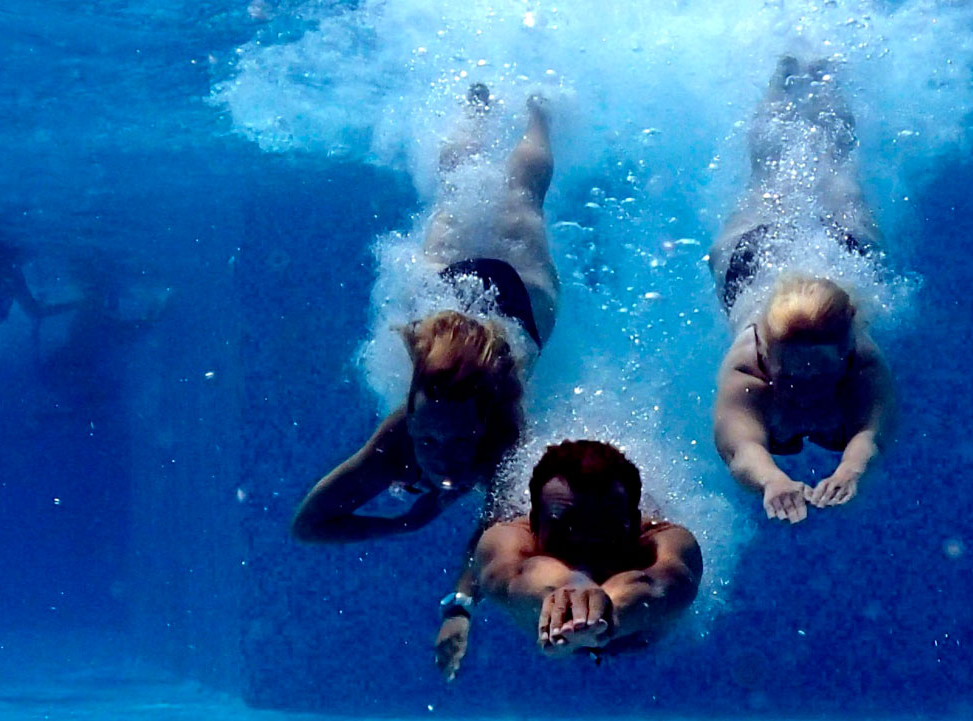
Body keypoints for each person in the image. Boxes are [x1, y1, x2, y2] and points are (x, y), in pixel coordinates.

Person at [290, 85, 559, 672]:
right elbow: (308, 525)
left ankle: (540, 111)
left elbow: (494, 531)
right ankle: (481, 111)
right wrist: (401, 525)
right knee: (465, 189)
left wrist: (460, 604)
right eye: (430, 438)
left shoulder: (508, 438)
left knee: (519, 196)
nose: (444, 457)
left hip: (515, 295)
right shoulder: (396, 441)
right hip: (483, 303)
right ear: (409, 420)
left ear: (484, 424)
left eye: (461, 440)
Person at [711, 57, 896, 524]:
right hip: (753, 254)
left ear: (846, 352)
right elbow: (740, 447)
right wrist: (771, 479)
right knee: (768, 169)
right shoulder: (746, 366)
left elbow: (873, 433)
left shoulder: (863, 362)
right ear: (764, 351)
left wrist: (852, 469)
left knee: (838, 164)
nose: (806, 388)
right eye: (792, 374)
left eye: (820, 373)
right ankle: (783, 74)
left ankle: (826, 75)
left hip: (838, 247)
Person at [468, 440, 702, 668]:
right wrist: (570, 588)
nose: (586, 546)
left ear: (634, 525)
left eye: (604, 528)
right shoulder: (506, 539)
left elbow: (656, 586)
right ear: (534, 524)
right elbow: (523, 573)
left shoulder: (665, 541)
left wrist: (607, 612)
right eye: (565, 529)